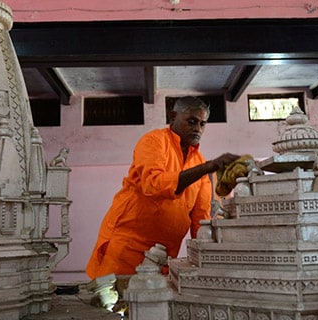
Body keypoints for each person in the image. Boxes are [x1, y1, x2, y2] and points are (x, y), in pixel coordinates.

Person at [85, 96, 240, 280]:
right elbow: (154, 184)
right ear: (173, 117)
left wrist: (212, 256)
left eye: (202, 124)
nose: (198, 128)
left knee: (152, 305)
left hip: (164, 257)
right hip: (127, 247)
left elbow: (200, 219)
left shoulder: (199, 163)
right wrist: (208, 167)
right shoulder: (154, 141)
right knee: (112, 303)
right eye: (192, 121)